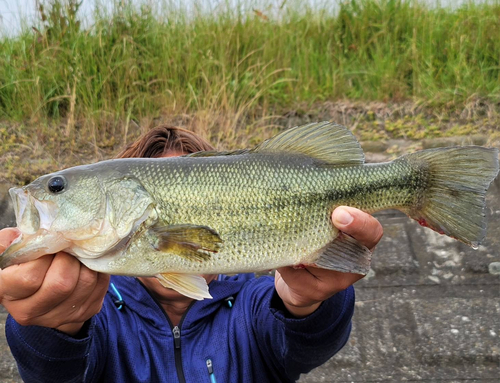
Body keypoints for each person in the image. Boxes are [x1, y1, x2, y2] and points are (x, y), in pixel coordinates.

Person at [0, 125, 383, 382]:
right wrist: (53, 326)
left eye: (56, 187)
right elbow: (55, 372)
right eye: (58, 186)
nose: (45, 194)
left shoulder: (253, 306)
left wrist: (308, 304)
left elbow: (303, 346)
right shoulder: (96, 316)